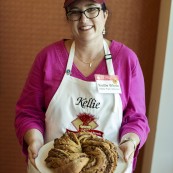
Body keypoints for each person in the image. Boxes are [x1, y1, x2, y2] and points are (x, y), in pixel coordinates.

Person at [15, 0, 150, 173]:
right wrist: (35, 140)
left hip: (109, 166)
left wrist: (129, 142)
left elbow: (136, 118)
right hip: (54, 165)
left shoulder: (126, 60)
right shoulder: (47, 58)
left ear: (105, 14)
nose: (84, 19)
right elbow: (28, 112)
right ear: (68, 18)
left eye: (91, 10)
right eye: (75, 12)